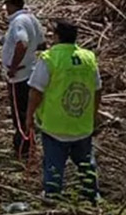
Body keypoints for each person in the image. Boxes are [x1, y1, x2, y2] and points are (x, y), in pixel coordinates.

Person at [27, 20, 101, 203]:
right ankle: (92, 195)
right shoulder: (88, 57)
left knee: (53, 166)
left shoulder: (49, 58)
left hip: (55, 125)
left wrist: (29, 116)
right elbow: (98, 89)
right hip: (81, 123)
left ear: (57, 36)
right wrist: (94, 114)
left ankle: (52, 197)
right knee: (86, 164)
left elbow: (36, 91)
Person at [1, 0, 45, 161]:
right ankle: (29, 144)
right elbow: (42, 44)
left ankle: (23, 149)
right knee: (28, 111)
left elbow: (22, 43)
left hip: (19, 76)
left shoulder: (18, 22)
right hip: (31, 73)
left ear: (10, 5)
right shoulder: (31, 18)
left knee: (19, 114)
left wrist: (13, 66)